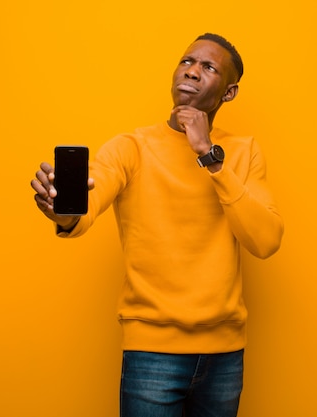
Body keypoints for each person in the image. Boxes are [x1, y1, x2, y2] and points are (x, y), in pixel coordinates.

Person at [31, 33, 283, 417]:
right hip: (152, 354)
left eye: (208, 67)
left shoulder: (244, 151)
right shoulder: (130, 147)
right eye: (187, 61)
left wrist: (210, 158)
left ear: (229, 92)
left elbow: (265, 240)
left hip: (225, 355)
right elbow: (89, 203)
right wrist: (62, 211)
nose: (193, 72)